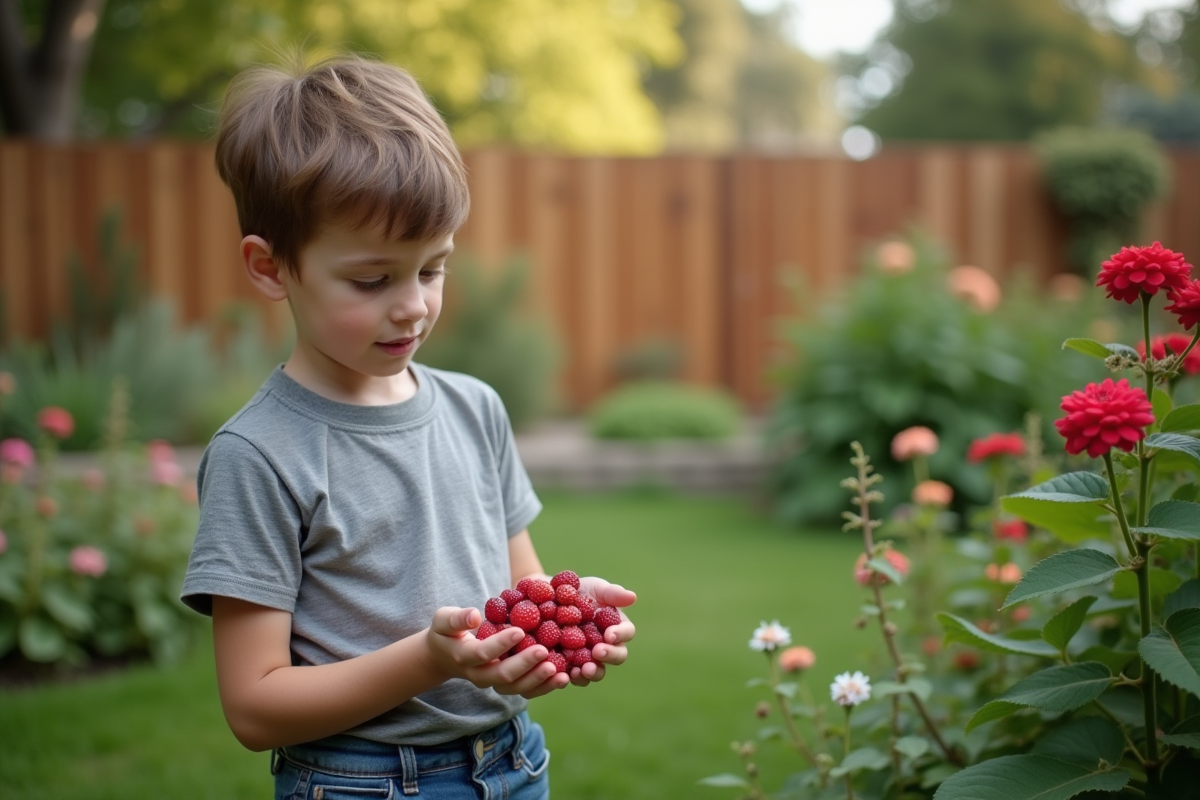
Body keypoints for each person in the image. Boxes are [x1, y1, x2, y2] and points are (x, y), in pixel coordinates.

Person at [180, 53, 636, 800]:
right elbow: (255, 707)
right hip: (363, 781)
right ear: (270, 268)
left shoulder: (474, 408)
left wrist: (560, 622)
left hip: (512, 760)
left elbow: (515, 596)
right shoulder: (258, 454)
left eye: (433, 269)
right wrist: (430, 659)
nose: (414, 305)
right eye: (373, 279)